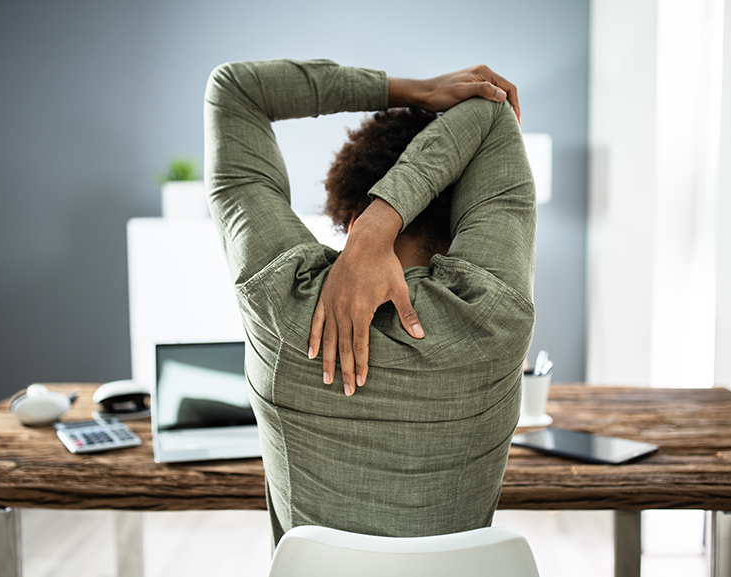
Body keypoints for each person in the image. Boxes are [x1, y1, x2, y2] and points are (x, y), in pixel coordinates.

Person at [203, 59, 536, 549]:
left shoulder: (279, 297)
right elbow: (492, 107)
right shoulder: (491, 311)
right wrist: (389, 215)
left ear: (349, 219)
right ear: (467, 212)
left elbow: (236, 89)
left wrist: (414, 91)